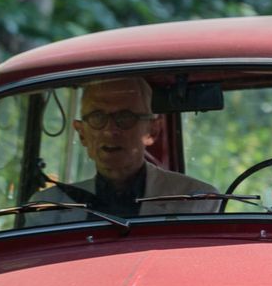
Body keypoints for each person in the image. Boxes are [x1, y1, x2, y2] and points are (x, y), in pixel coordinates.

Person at [67, 77, 216, 215]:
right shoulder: (50, 207)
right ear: (81, 133)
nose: (110, 131)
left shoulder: (198, 201)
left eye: (125, 117)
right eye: (97, 117)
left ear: (153, 131)